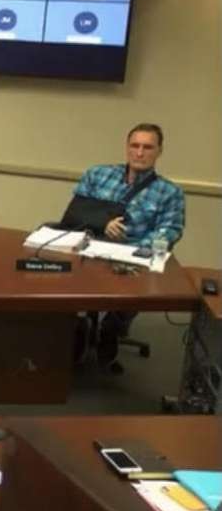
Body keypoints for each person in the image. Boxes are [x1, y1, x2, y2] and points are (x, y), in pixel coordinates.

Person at [73, 123, 186, 370]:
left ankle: (111, 328)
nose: (139, 152)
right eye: (135, 146)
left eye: (147, 147)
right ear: (127, 148)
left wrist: (134, 248)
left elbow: (170, 231)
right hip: (93, 247)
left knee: (135, 284)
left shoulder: (170, 192)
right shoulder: (97, 175)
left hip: (134, 256)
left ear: (159, 151)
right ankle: (78, 325)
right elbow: (76, 212)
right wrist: (103, 222)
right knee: (63, 273)